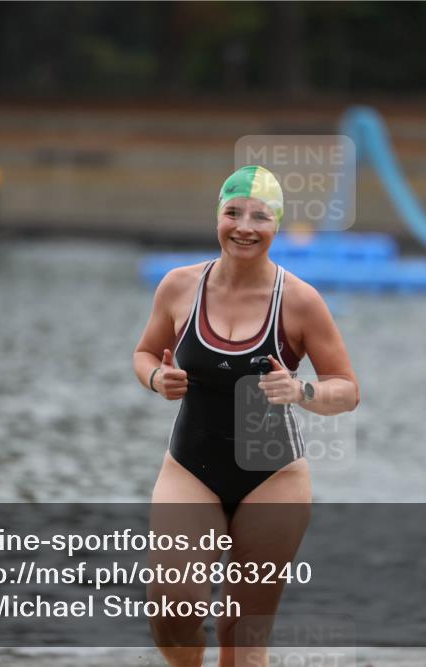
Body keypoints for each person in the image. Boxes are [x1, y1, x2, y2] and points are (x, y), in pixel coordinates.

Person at [133, 165, 360, 666]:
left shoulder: (299, 301)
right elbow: (145, 353)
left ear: (276, 226)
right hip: (190, 469)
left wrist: (300, 390)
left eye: (260, 217)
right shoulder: (179, 287)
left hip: (272, 479)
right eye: (233, 212)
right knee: (171, 609)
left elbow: (347, 391)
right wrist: (156, 379)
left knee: (242, 643)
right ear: (218, 216)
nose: (244, 227)